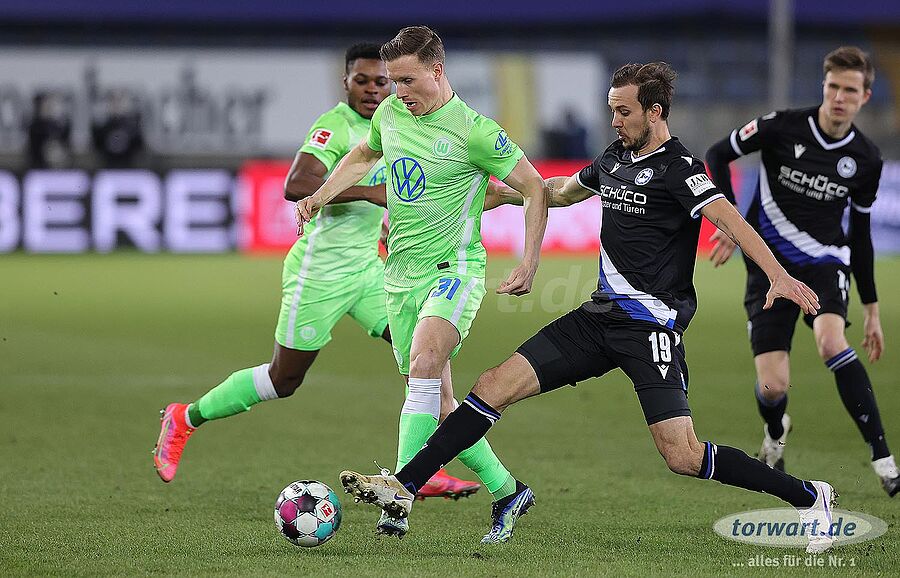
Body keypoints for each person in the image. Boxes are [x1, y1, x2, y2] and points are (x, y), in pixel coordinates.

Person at [339, 62, 840, 554]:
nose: (614, 121)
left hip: (650, 329)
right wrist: (496, 195)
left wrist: (778, 276)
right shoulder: (613, 159)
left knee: (683, 456)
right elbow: (558, 193)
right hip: (598, 319)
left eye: (624, 112)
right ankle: (404, 486)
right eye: (611, 110)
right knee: (492, 386)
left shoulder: (679, 169)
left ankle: (808, 496)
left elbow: (730, 219)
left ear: (655, 112)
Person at [153, 43, 497, 505]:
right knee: (283, 379)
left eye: (382, 82)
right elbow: (296, 184)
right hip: (320, 275)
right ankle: (185, 417)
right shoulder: (335, 125)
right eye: (362, 81)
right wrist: (371, 193)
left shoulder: (401, 119)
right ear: (346, 82)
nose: (373, 90)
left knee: (425, 363)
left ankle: (417, 469)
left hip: (373, 271)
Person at [295, 26, 548, 540]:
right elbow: (364, 155)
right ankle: (508, 490)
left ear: (437, 70)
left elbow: (533, 186)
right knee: (440, 404)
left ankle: (399, 494)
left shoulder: (475, 132)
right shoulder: (390, 114)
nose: (397, 91)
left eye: (407, 80)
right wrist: (320, 196)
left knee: (425, 361)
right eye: (394, 81)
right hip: (400, 277)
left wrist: (529, 262)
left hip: (454, 272)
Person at [704, 46, 897, 497]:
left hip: (825, 262)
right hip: (768, 266)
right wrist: (730, 221)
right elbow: (717, 152)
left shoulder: (866, 159)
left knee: (832, 341)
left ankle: (884, 459)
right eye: (833, 87)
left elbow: (862, 236)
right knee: (773, 387)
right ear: (823, 86)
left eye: (850, 91)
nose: (839, 98)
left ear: (866, 96)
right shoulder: (781, 126)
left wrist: (871, 309)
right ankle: (776, 432)